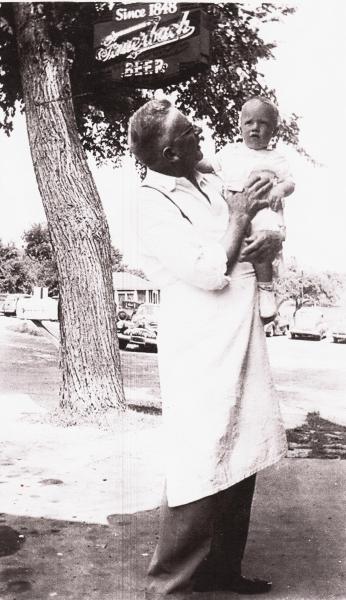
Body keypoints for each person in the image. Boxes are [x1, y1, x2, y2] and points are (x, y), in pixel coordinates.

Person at [128, 98, 287, 599]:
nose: (204, 135)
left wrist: (266, 244)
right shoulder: (150, 201)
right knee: (200, 457)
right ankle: (168, 584)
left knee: (243, 450)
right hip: (201, 344)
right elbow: (206, 269)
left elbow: (240, 236)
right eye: (192, 133)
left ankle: (222, 568)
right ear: (170, 152)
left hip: (240, 333)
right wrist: (240, 219)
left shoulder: (209, 180)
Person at [198, 96, 295, 320]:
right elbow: (207, 165)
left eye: (263, 124)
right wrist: (186, 160)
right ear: (240, 125)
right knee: (227, 244)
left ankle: (266, 289)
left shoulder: (276, 158)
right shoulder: (230, 152)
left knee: (261, 245)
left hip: (263, 209)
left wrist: (279, 190)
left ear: (273, 130)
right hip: (232, 209)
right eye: (249, 122)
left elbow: (290, 183)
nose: (255, 128)